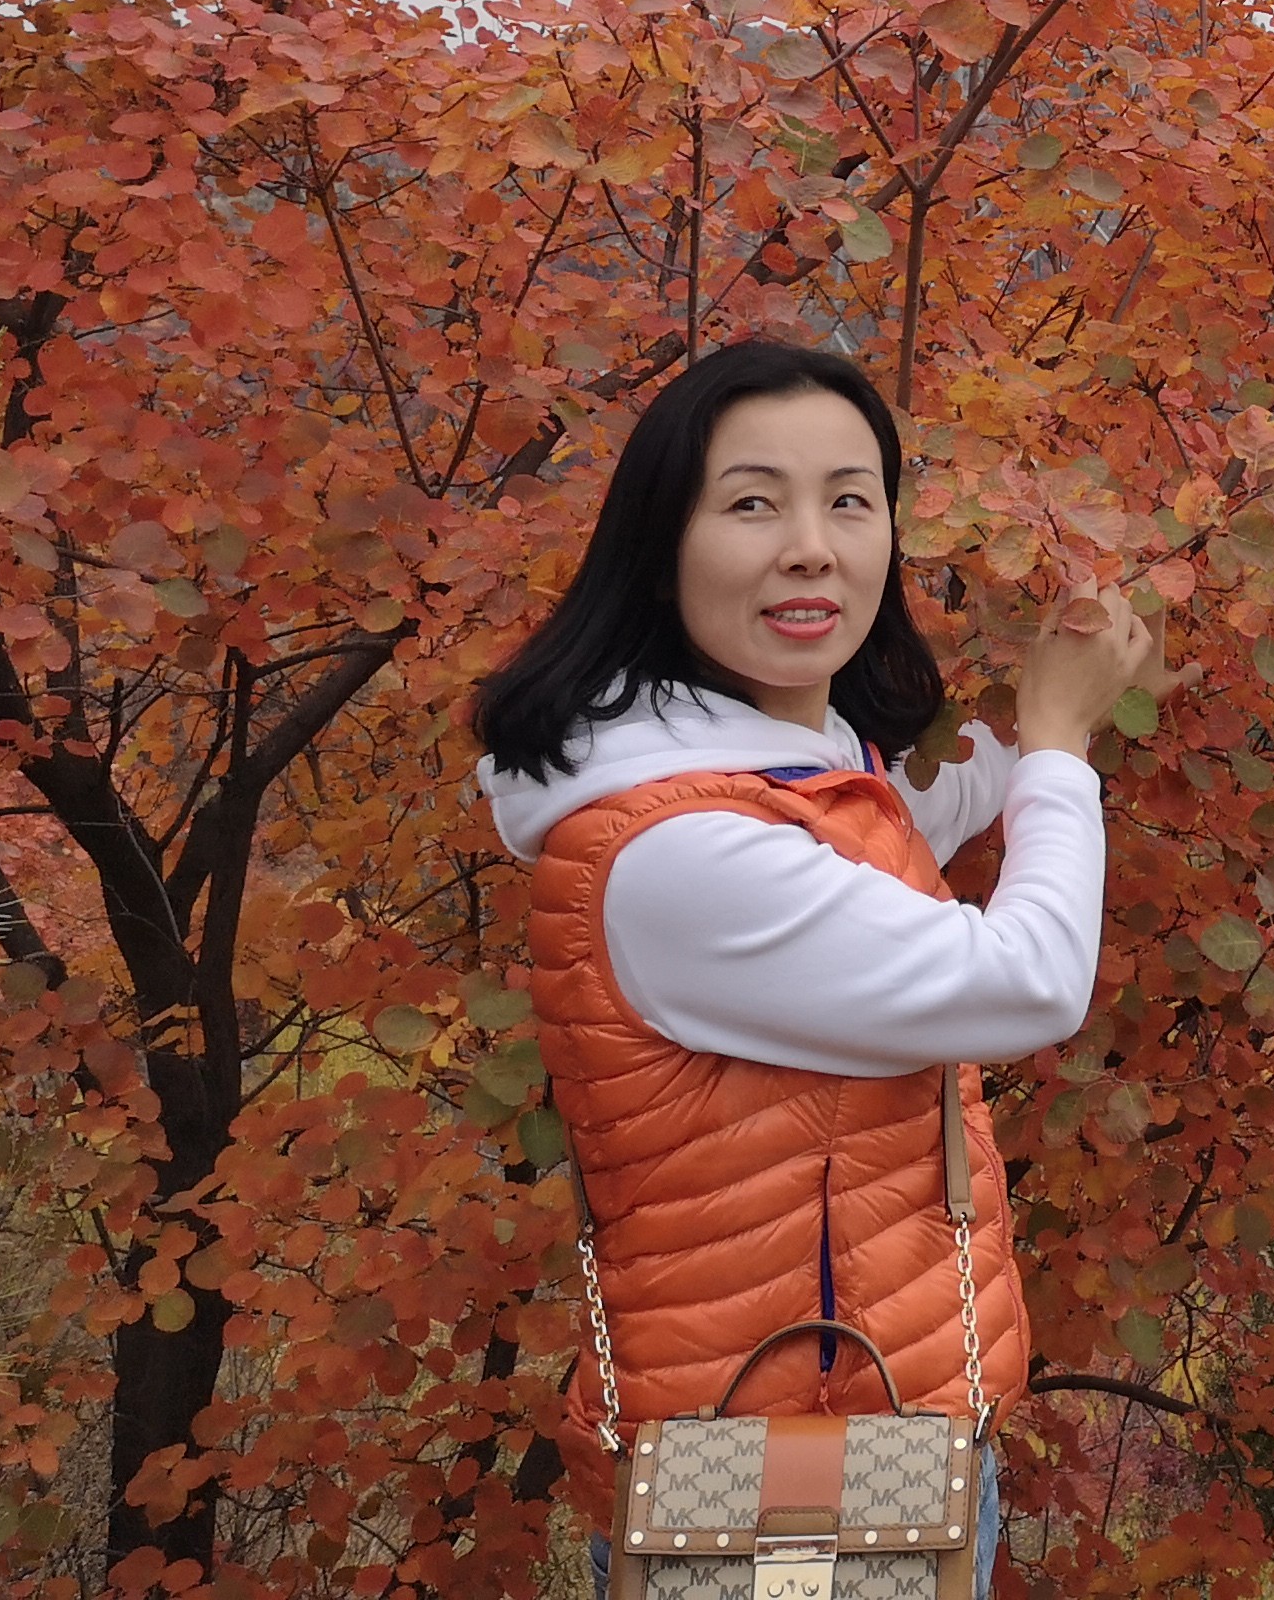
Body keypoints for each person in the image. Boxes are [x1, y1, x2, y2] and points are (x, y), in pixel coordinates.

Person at [474, 339, 1159, 1596]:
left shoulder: (779, 771)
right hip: (780, 1487)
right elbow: (1028, 982)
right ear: (658, 544)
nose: (812, 545)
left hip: (879, 1430)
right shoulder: (679, 856)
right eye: (752, 503)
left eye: (850, 499)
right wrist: (1059, 743)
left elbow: (895, 827)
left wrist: (1070, 681)